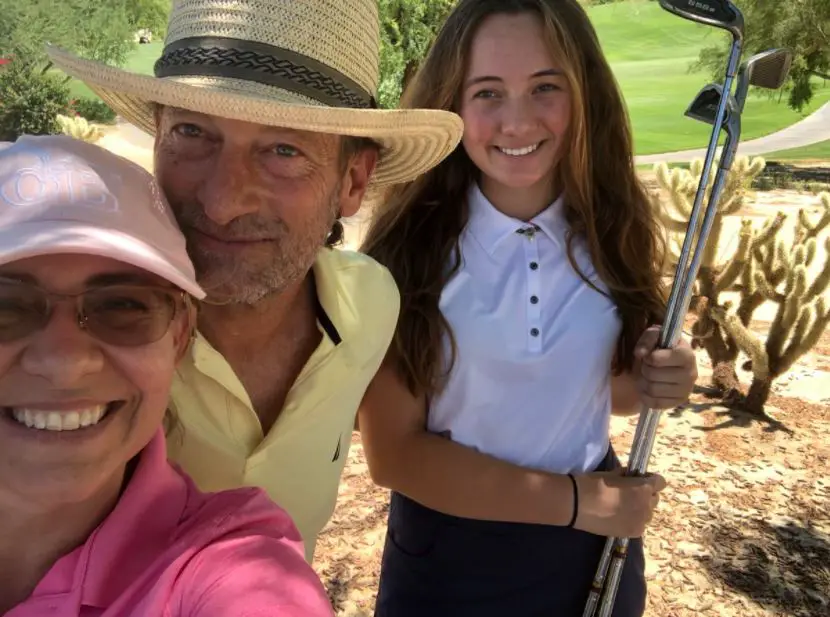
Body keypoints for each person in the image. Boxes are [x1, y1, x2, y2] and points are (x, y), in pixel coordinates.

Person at [45, 0, 463, 562]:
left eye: (283, 149)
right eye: (193, 132)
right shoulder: (75, 344)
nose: (221, 203)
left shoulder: (369, 304)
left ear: (354, 180)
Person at [358, 0, 700, 615]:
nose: (517, 122)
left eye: (546, 87)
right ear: (452, 105)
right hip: (451, 560)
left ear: (583, 94)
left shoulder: (612, 228)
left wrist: (658, 375)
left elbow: (612, 393)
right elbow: (394, 454)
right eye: (488, 92)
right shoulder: (407, 252)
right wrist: (573, 503)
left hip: (594, 552)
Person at [0, 134, 334, 616]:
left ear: (179, 337)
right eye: (6, 307)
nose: (65, 363)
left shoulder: (224, 574)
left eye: (123, 306)